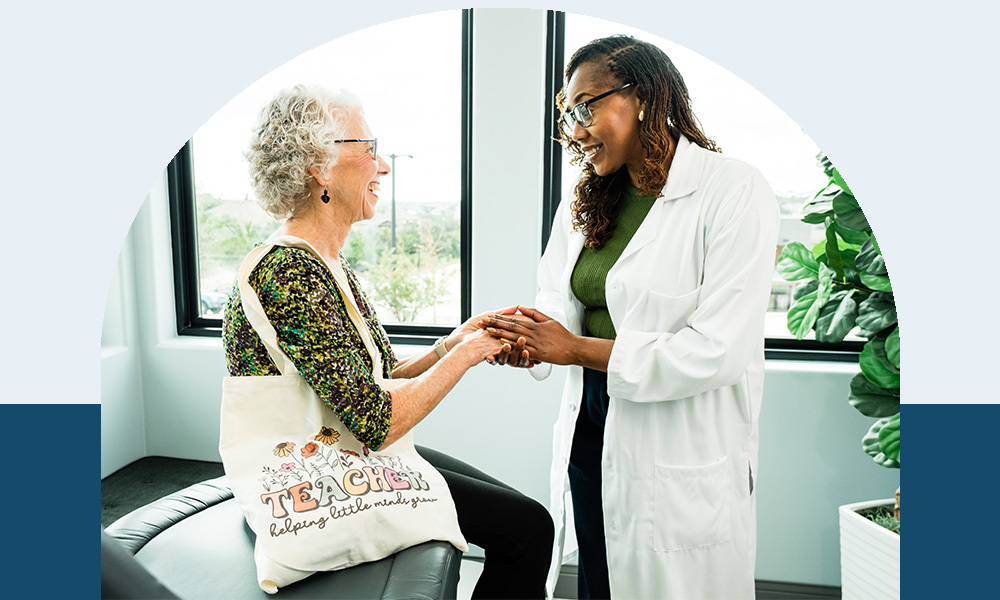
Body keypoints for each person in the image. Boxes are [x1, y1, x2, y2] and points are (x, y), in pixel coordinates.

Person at [222, 83, 552, 599]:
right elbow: (377, 421)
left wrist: (455, 340)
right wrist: (470, 354)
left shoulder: (327, 265)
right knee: (528, 530)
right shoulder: (289, 270)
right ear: (318, 164)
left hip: (350, 449)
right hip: (333, 460)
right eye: (369, 148)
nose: (384, 166)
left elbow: (378, 383)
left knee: (525, 520)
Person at [480, 36, 779, 599]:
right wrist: (524, 337)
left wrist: (570, 348)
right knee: (601, 572)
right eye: (569, 113)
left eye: (586, 107)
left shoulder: (733, 191)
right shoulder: (586, 199)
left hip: (681, 433)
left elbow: (717, 350)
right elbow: (557, 300)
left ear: (641, 97)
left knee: (673, 584)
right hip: (592, 418)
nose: (576, 129)